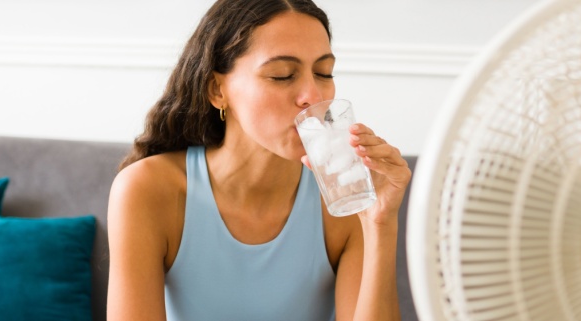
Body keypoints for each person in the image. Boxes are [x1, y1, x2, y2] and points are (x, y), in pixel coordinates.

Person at [106, 0, 410, 320]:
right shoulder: (146, 189)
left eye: (324, 72)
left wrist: (380, 223)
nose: (313, 95)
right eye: (282, 75)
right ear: (217, 90)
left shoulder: (344, 194)